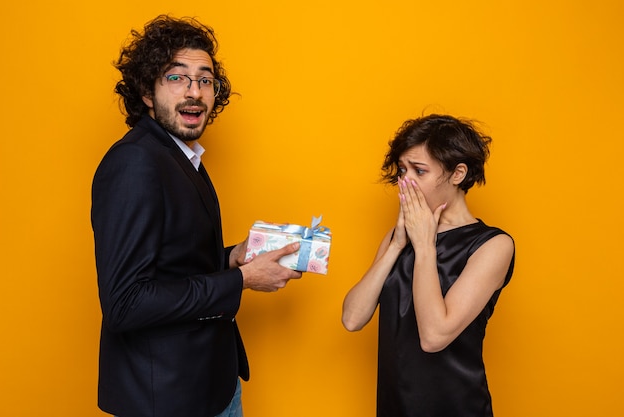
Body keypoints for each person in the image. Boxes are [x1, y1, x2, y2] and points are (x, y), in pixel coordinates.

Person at [91, 15, 302, 417]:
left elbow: (171, 265)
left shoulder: (181, 156)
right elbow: (125, 303)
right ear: (146, 92)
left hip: (212, 384)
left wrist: (233, 257)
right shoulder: (134, 163)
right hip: (168, 398)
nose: (195, 92)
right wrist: (242, 280)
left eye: (205, 80)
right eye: (177, 78)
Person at [342, 114, 515, 417]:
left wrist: (424, 245)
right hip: (396, 405)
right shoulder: (400, 237)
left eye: (419, 170)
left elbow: (434, 337)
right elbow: (352, 319)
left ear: (458, 173)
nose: (404, 181)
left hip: (456, 406)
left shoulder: (493, 245)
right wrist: (397, 244)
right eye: (402, 170)